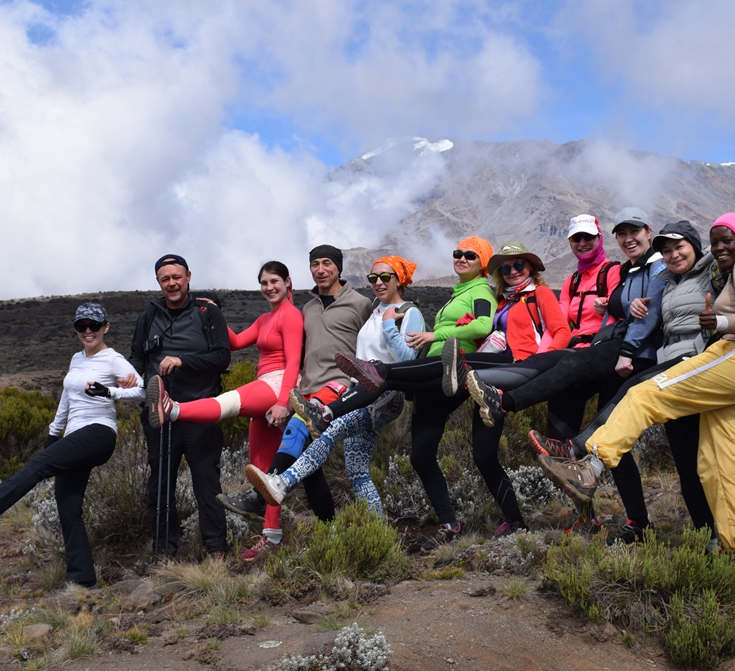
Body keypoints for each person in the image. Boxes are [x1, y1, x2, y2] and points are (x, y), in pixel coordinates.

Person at [540, 212, 735, 588]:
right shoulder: (703, 272)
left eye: (726, 240)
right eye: (716, 241)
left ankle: (592, 466)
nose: (719, 248)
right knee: (717, 465)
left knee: (644, 394)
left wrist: (721, 323)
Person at [327, 237, 571, 548]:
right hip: (477, 374)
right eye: (458, 253)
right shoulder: (502, 298)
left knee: (389, 379)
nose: (511, 270)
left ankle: (335, 407)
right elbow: (487, 327)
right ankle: (495, 522)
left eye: (519, 264)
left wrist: (541, 363)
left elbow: (556, 330)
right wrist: (460, 327)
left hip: (483, 369)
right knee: (444, 455)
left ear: (531, 268)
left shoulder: (515, 292)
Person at [461, 208, 660, 536]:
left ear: (598, 239)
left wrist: (606, 321)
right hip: (576, 360)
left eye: (588, 237)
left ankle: (637, 519)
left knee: (609, 437)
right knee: (559, 440)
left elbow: (619, 310)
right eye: (576, 238)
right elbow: (564, 323)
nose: (582, 243)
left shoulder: (616, 271)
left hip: (605, 355)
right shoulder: (570, 281)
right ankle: (588, 520)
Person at [0, 302, 145, 587]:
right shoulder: (76, 359)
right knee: (67, 507)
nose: (88, 331)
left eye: (94, 325)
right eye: (81, 326)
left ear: (106, 327)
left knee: (39, 466)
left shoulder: (114, 359)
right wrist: (53, 436)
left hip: (99, 433)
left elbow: (142, 392)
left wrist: (112, 391)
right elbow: (66, 401)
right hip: (74, 436)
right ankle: (82, 580)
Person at [217, 244, 372, 560]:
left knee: (298, 431)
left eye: (327, 263)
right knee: (309, 466)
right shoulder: (308, 308)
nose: (321, 269)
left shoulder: (360, 304)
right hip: (308, 390)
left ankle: (263, 496)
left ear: (338, 267)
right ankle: (330, 532)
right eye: (315, 264)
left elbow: (375, 341)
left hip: (340, 387)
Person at [245, 255, 425, 516]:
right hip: (359, 393)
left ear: (400, 279)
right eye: (373, 278)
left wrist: (389, 325)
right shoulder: (374, 309)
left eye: (386, 277)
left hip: (387, 393)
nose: (378, 282)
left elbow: (410, 358)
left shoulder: (410, 312)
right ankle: (377, 531)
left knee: (330, 430)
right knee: (358, 471)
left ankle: (281, 483)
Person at [146, 261, 302, 561]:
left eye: (274, 282)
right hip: (266, 384)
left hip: (279, 383)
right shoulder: (265, 319)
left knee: (231, 401)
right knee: (263, 472)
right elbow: (234, 342)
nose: (269, 288)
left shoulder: (291, 315)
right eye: (264, 283)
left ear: (287, 283)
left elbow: (293, 361)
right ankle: (271, 537)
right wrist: (213, 309)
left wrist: (284, 401)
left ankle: (174, 409)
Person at [128, 254, 231, 558]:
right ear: (158, 282)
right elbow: (137, 356)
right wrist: (128, 377)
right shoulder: (149, 316)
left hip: (201, 411)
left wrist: (182, 361)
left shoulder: (207, 313)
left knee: (207, 484)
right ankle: (163, 552)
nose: (171, 283)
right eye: (165, 279)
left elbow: (222, 358)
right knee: (159, 486)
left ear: (188, 276)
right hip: (159, 415)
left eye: (176, 277)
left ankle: (216, 551)